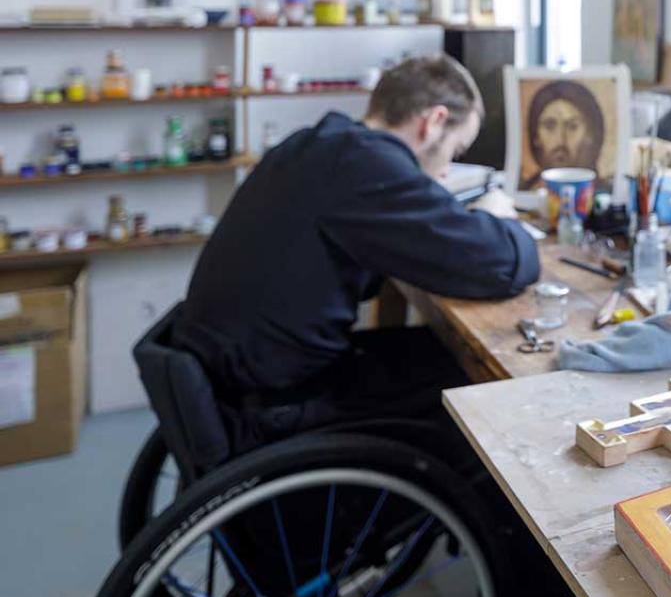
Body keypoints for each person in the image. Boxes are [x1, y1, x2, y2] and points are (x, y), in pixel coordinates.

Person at [173, 54, 539, 453]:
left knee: (431, 350)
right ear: (433, 122)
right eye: (455, 149)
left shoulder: (319, 144)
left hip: (238, 377)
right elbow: (500, 264)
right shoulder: (367, 167)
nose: (448, 170)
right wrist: (503, 220)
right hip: (280, 401)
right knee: (477, 387)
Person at [518, 80, 607, 192]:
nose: (560, 140)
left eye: (572, 127)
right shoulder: (524, 193)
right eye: (549, 126)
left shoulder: (606, 195)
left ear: (588, 135)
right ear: (536, 137)